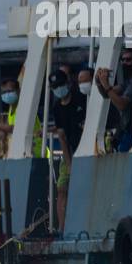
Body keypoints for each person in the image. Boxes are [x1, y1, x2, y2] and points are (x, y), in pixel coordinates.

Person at [48, 69, 87, 230]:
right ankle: (62, 229)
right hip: (70, 151)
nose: (58, 89)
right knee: (62, 188)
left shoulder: (81, 99)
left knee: (82, 187)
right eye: (54, 87)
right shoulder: (57, 108)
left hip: (86, 150)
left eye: (60, 85)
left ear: (68, 84)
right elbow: (62, 136)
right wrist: (69, 163)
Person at [96, 46, 132, 153]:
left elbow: (122, 104)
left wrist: (106, 85)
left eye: (129, 60)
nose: (124, 63)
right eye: (123, 60)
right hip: (125, 130)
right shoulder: (129, 81)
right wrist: (99, 83)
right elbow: (107, 94)